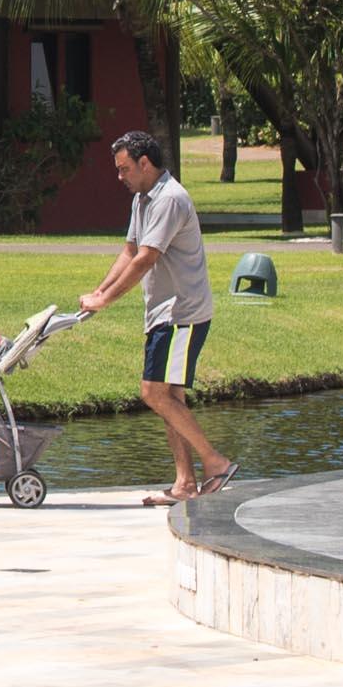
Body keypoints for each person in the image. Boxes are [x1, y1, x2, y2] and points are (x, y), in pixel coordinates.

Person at [80, 129, 234, 502]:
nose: (120, 177)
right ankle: (184, 483)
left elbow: (147, 258)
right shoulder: (143, 199)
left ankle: (216, 462)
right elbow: (129, 250)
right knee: (171, 396)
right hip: (164, 313)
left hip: (182, 313)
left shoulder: (169, 199)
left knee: (153, 393)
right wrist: (100, 292)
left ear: (144, 163)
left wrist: (108, 300)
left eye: (124, 169)